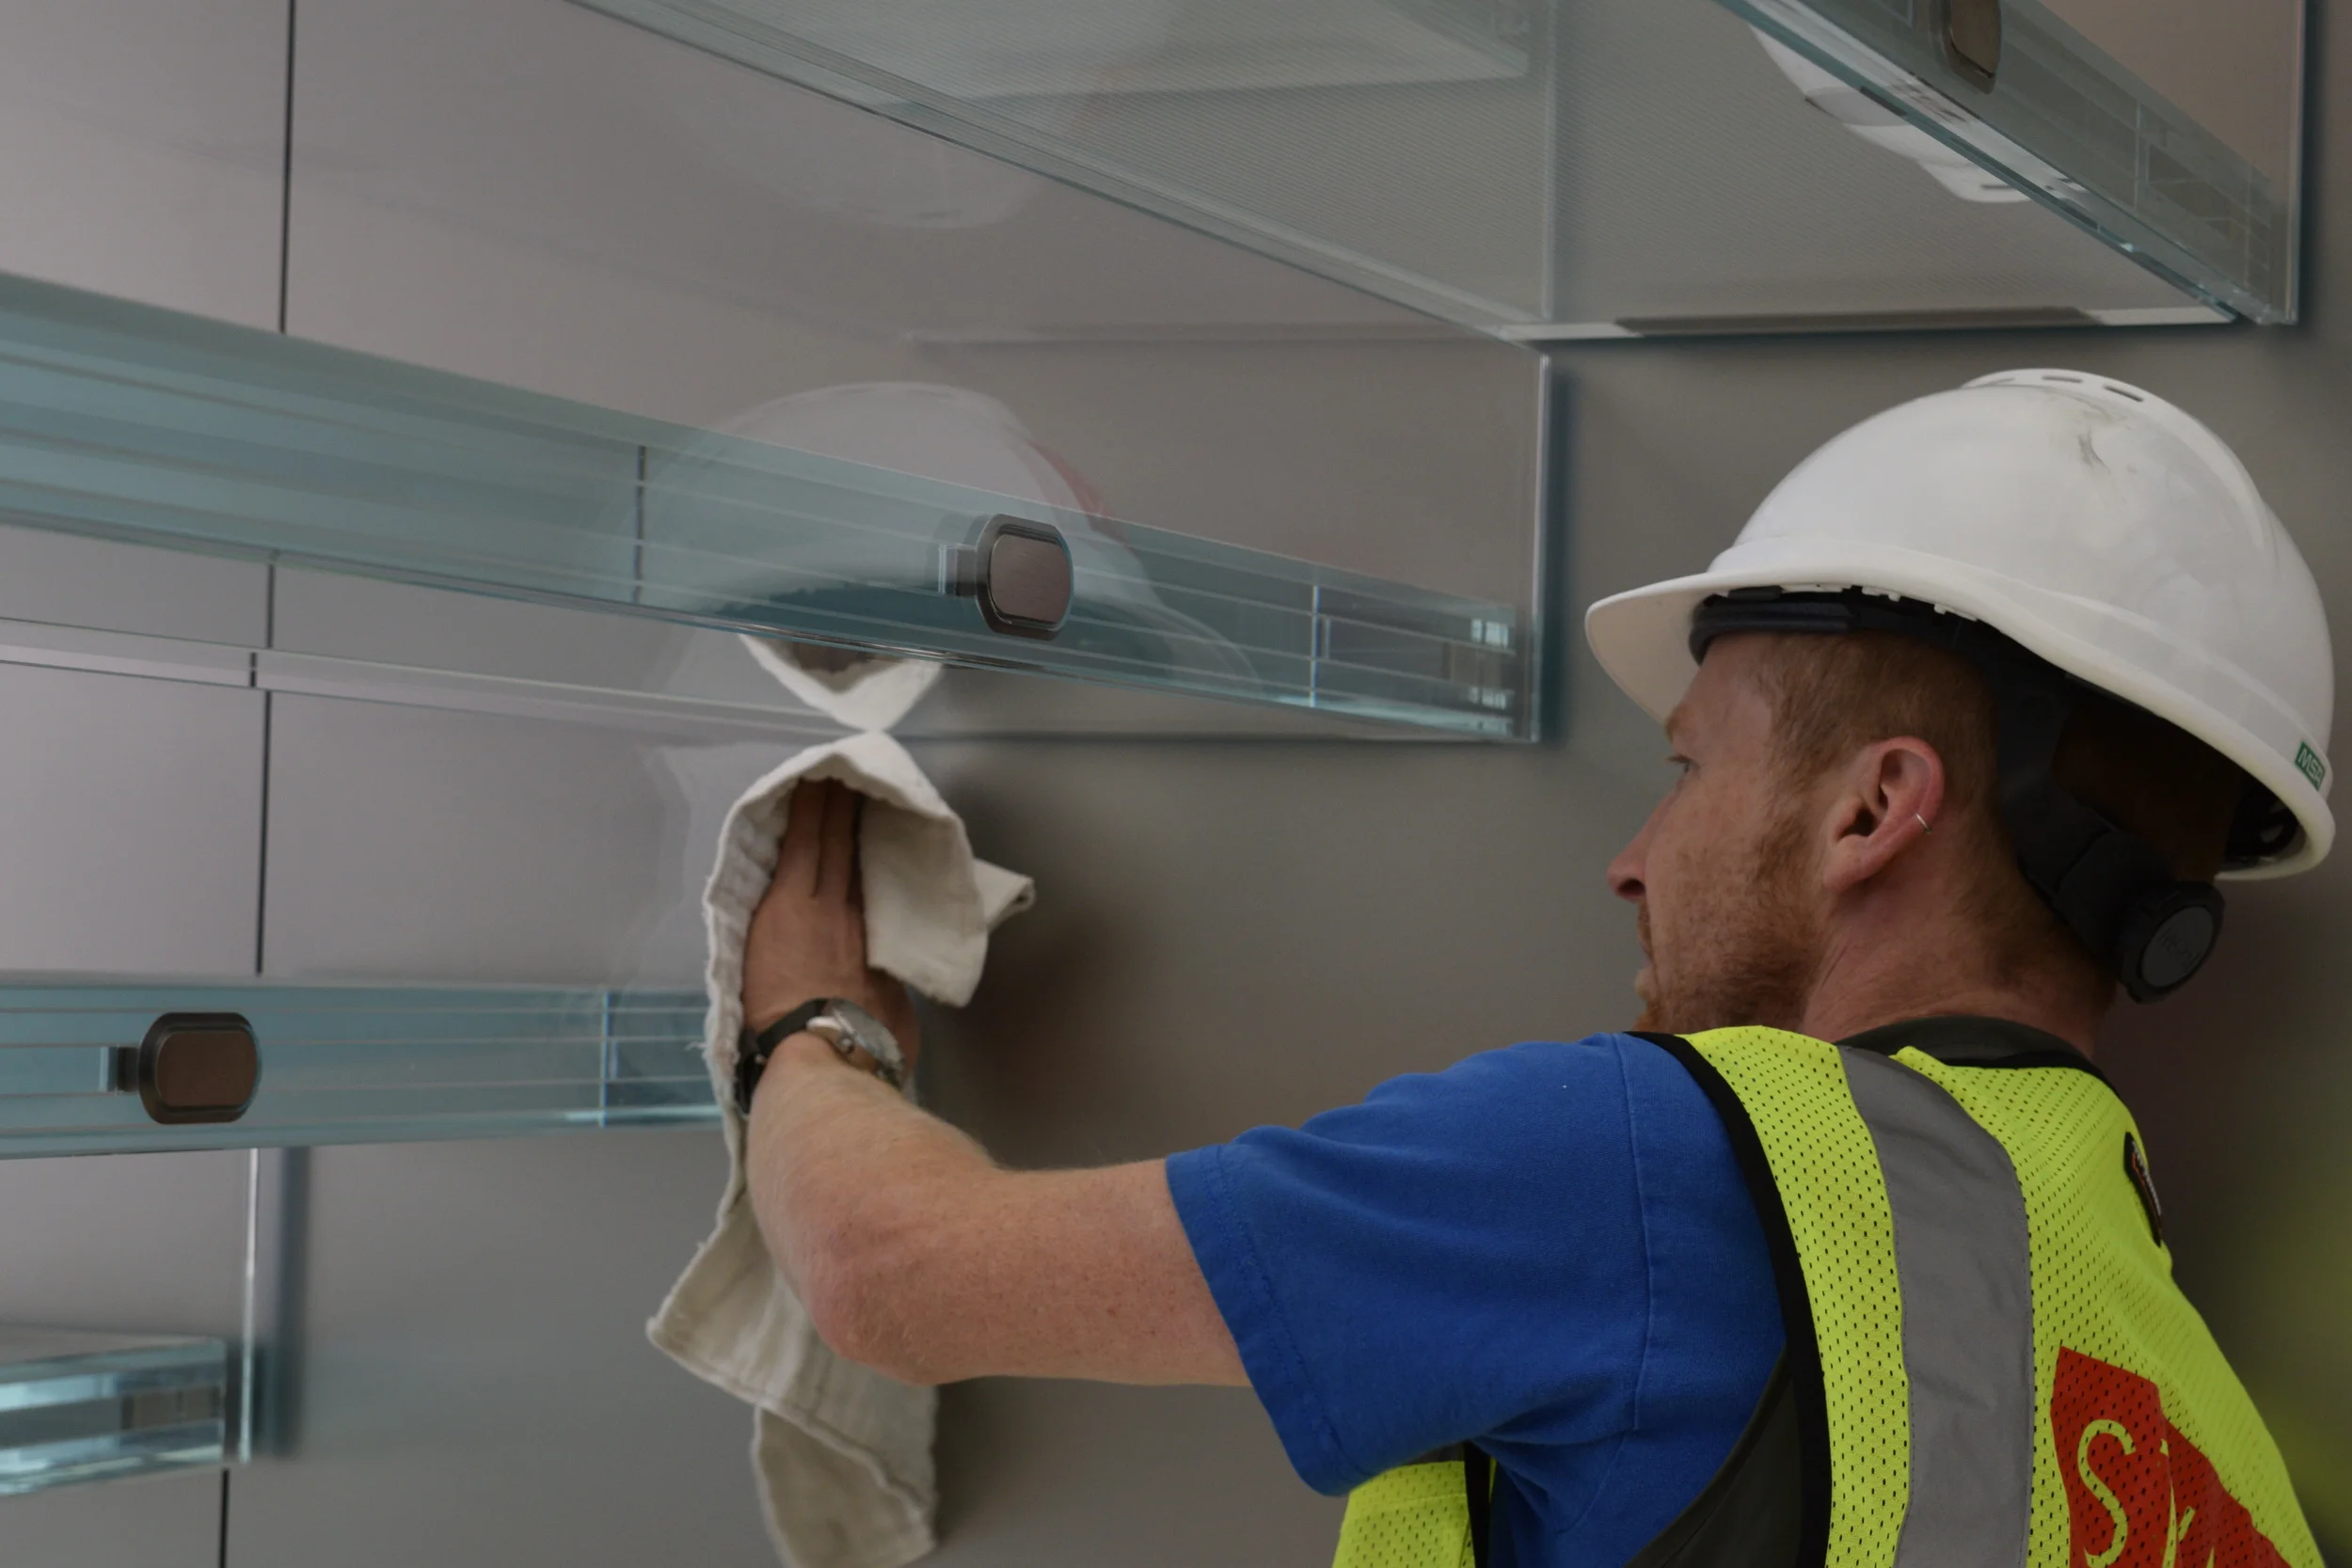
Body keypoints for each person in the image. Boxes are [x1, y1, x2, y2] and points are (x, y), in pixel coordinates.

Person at [730, 370, 2328, 1568]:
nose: (1633, 855)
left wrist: (811, 1019)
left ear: (1870, 809)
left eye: (1692, 769)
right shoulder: (2178, 1389)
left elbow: (887, 1271)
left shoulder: (1659, 1172)